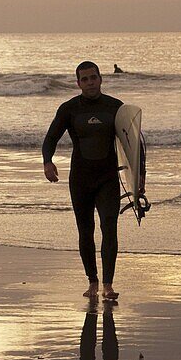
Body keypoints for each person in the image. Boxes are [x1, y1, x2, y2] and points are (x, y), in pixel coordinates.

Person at [43, 61, 124, 300]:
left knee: (109, 227)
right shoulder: (69, 109)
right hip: (81, 179)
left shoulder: (116, 107)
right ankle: (93, 282)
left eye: (93, 77)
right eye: (85, 79)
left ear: (101, 79)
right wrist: (47, 161)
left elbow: (134, 145)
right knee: (85, 231)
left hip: (108, 178)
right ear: (78, 83)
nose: (90, 82)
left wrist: (140, 176)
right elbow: (50, 138)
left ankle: (108, 285)